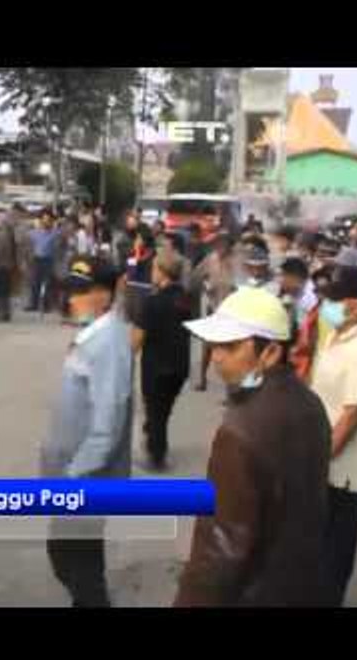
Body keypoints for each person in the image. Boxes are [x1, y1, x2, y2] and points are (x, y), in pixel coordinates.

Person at [176, 287, 333, 606]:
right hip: (299, 582)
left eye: (230, 346)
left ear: (271, 352)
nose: (216, 356)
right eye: (214, 344)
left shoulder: (240, 431)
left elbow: (220, 548)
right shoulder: (310, 403)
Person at [42, 255, 132, 607]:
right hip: (72, 474)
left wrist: (74, 476)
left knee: (75, 564)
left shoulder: (108, 343)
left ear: (105, 295)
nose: (72, 299)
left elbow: (108, 426)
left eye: (81, 292)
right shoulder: (94, 335)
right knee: (73, 560)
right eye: (70, 291)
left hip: (84, 480)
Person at [308, 267, 357, 606]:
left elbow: (353, 413)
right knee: (317, 541)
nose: (329, 305)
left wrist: (322, 458)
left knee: (335, 547)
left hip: (343, 468)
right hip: (322, 456)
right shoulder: (335, 338)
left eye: (336, 299)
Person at [131, 249, 194, 471]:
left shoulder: (152, 302)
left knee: (155, 411)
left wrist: (127, 357)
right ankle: (154, 440)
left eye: (154, 269)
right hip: (179, 363)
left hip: (157, 366)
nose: (152, 273)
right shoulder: (185, 299)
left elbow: (137, 339)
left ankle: (157, 456)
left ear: (162, 272)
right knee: (164, 410)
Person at [189, 231, 239, 391]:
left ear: (230, 246)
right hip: (214, 308)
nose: (221, 247)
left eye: (224, 244)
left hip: (233, 311)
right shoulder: (211, 260)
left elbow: (244, 284)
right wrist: (205, 286)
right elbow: (195, 277)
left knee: (231, 348)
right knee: (207, 345)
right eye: (218, 244)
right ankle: (202, 379)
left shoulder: (236, 262)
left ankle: (231, 386)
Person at [26, 211, 60, 313]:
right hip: (36, 260)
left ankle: (46, 305)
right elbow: (26, 240)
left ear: (52, 221)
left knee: (47, 283)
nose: (46, 222)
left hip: (48, 260)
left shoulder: (55, 233)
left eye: (48, 220)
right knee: (34, 282)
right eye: (44, 219)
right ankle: (34, 304)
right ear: (41, 220)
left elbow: (59, 245)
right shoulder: (34, 232)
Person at [0, 211, 19, 323]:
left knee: (0, 293)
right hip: (9, 267)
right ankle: (7, 313)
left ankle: (1, 314)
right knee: (6, 292)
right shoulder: (11, 236)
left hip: (0, 267)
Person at [278, 257, 318, 336]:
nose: (281, 280)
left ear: (294, 276)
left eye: (283, 275)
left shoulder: (312, 296)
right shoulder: (293, 291)